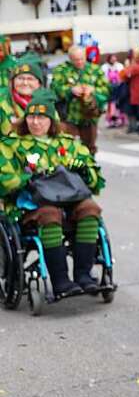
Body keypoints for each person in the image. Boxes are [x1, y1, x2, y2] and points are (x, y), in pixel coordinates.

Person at [0, 88, 104, 298]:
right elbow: (4, 180)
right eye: (31, 116)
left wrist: (84, 171)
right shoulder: (13, 145)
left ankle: (84, 274)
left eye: (42, 117)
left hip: (70, 200)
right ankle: (60, 280)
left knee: (91, 209)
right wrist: (26, 180)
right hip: (33, 204)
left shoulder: (68, 144)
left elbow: (95, 180)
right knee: (50, 214)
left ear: (52, 120)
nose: (36, 122)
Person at [50, 45, 110, 154]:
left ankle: (89, 169)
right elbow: (54, 88)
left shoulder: (95, 70)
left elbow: (106, 89)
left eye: (82, 59)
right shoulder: (61, 70)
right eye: (76, 60)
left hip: (89, 117)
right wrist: (70, 90)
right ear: (70, 59)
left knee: (89, 148)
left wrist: (93, 90)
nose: (79, 62)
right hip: (68, 117)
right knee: (68, 148)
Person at [0, 58, 46, 135]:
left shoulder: (47, 102)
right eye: (20, 78)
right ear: (12, 81)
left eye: (30, 79)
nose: (25, 83)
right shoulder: (2, 103)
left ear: (39, 83)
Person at [121, 48, 139, 133]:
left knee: (138, 111)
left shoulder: (138, 67)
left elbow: (124, 74)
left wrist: (128, 67)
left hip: (136, 91)